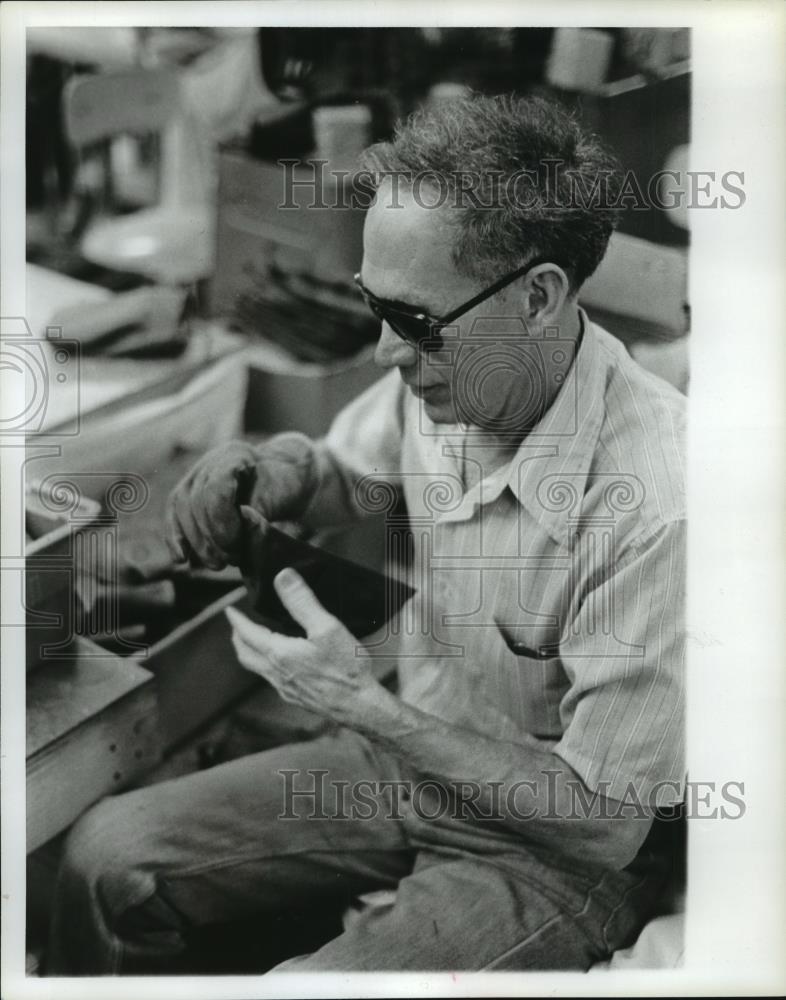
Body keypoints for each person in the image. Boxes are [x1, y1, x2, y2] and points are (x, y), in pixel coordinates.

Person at [47, 94, 686, 974]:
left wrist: (364, 705)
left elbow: (608, 823)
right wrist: (272, 470)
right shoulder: (453, 368)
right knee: (106, 859)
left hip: (557, 847)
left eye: (414, 321)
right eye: (372, 304)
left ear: (540, 297)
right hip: (414, 752)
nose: (386, 350)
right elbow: (349, 475)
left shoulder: (658, 503)